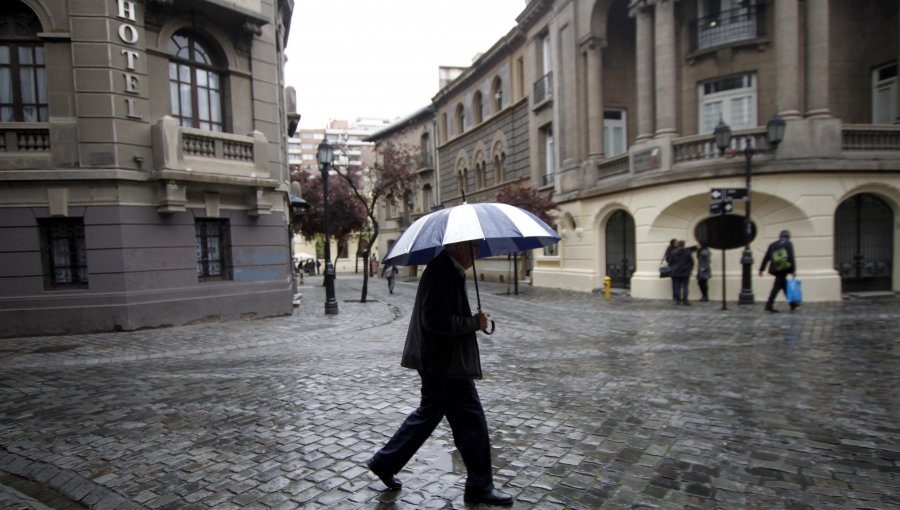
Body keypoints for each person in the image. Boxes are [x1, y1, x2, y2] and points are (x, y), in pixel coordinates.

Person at [367, 241, 513, 507]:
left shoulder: (447, 268)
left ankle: (384, 462)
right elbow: (435, 320)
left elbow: (443, 315)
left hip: (439, 362)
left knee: (428, 415)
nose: (477, 253)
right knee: (472, 423)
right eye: (473, 248)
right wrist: (473, 323)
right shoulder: (442, 271)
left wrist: (471, 318)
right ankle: (480, 487)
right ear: (459, 247)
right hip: (445, 365)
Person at [759, 230, 798, 313]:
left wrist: (761, 269)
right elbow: (791, 257)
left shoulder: (772, 245)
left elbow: (766, 258)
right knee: (776, 287)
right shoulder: (788, 243)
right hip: (784, 268)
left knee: (784, 286)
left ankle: (792, 304)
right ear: (788, 236)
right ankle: (769, 305)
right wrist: (793, 270)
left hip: (775, 269)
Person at [670, 240, 698, 305]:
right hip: (685, 272)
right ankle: (685, 300)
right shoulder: (688, 252)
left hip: (676, 272)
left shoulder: (673, 252)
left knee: (677, 287)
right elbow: (692, 262)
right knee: (685, 287)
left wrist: (673, 268)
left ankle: (678, 301)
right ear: (684, 245)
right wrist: (689, 269)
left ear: (678, 245)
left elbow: (671, 262)